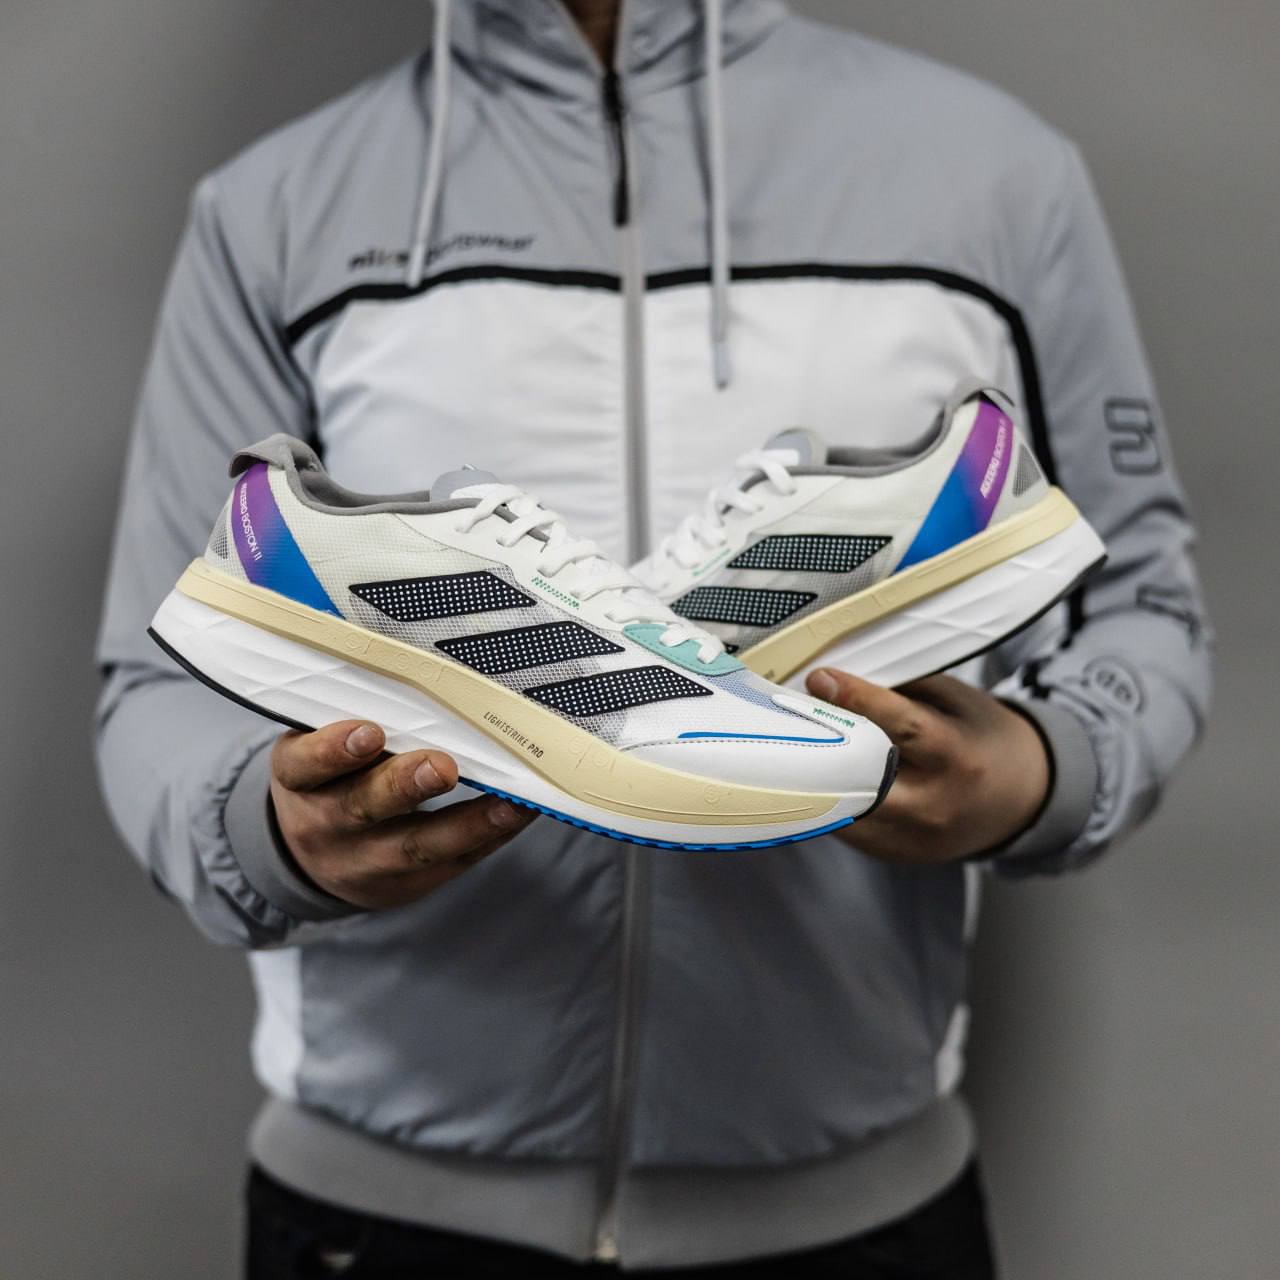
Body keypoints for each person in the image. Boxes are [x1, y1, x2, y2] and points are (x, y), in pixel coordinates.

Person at [95, 1, 1211, 1275]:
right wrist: (267, 828)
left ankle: (663, 659)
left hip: (855, 1210)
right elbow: (156, 682)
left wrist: (1040, 769)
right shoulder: (277, 207)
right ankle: (567, 657)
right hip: (381, 1213)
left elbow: (1143, 603)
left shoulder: (994, 176)